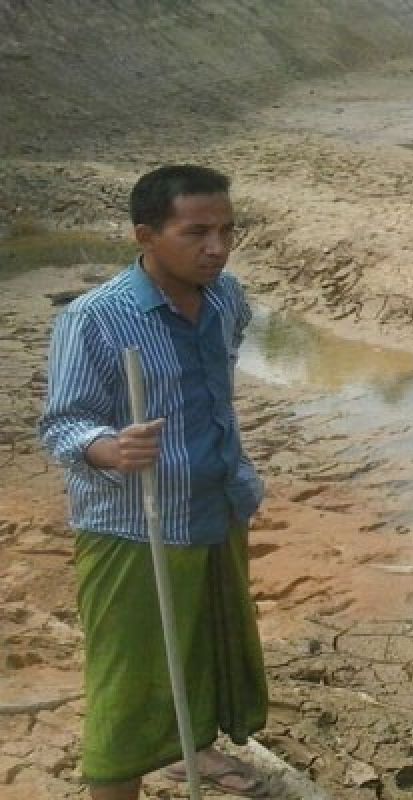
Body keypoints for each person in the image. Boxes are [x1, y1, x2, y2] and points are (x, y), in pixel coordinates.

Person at [39, 165, 270, 799]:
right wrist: (109, 447)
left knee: (199, 644)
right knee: (128, 681)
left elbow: (224, 361)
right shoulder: (94, 319)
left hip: (218, 506)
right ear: (146, 235)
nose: (216, 247)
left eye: (226, 230)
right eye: (196, 232)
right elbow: (62, 424)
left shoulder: (227, 297)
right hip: (135, 525)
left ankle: (188, 749)